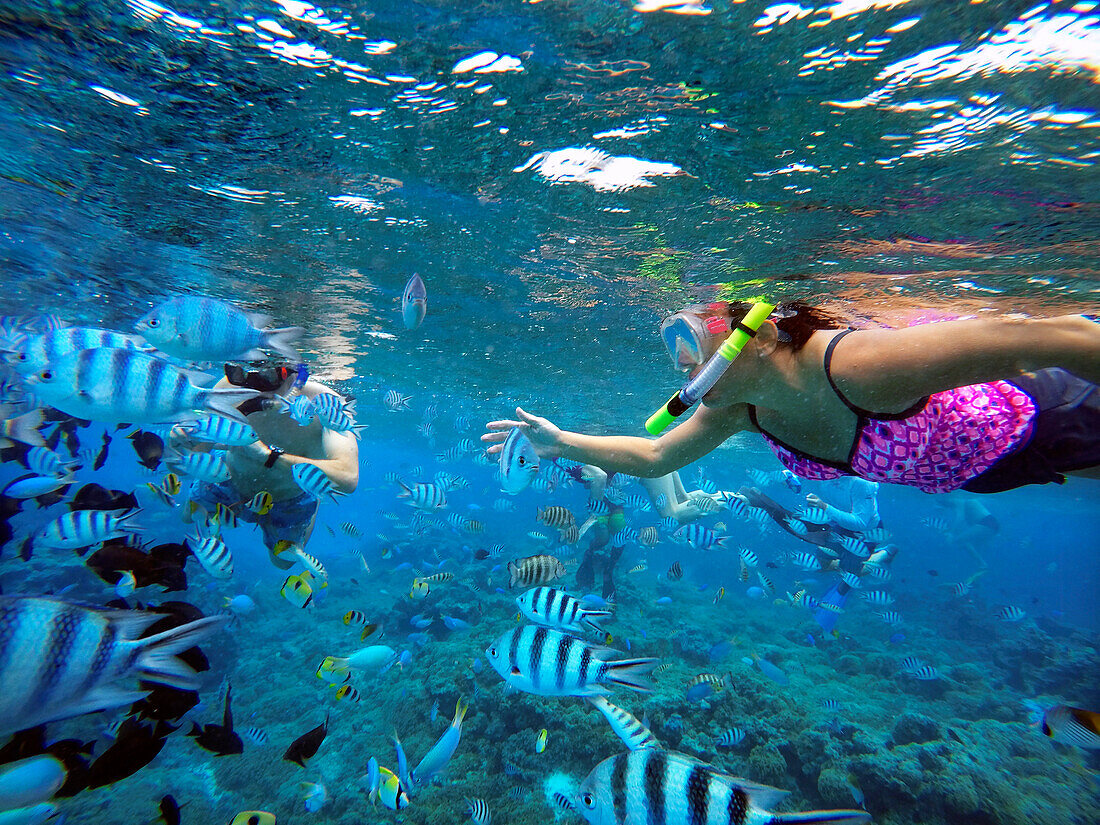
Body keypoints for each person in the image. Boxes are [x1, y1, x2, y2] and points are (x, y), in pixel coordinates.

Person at [483, 302, 1100, 496]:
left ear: (766, 331)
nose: (683, 361)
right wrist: (559, 442)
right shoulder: (738, 410)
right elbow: (654, 459)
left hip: (1049, 415)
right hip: (996, 471)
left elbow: (1052, 337)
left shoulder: (852, 365)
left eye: (700, 336)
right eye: (677, 353)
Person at [184, 361, 359, 568]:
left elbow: (348, 477)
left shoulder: (327, 404)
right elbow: (195, 453)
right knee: (188, 516)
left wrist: (270, 456)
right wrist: (184, 441)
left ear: (295, 373)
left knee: (282, 562)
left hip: (289, 499)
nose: (257, 388)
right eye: (247, 375)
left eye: (268, 377)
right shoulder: (229, 387)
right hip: (229, 480)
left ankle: (315, 495)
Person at [932, 494, 999, 568]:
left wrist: (950, 533)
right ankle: (985, 564)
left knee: (960, 540)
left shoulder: (958, 499)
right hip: (989, 523)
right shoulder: (958, 501)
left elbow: (960, 517)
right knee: (974, 545)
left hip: (986, 523)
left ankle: (982, 564)